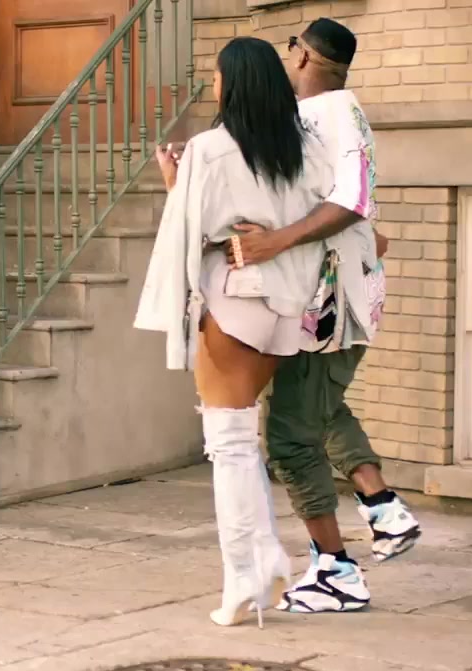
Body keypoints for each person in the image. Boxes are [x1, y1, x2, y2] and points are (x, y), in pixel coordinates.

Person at [134, 37, 377, 628]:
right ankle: (259, 561)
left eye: (218, 77)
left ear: (233, 84)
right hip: (285, 304)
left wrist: (174, 180)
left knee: (230, 444)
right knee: (241, 441)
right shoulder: (307, 147)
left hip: (234, 301)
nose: (214, 86)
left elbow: (189, 230)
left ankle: (249, 571)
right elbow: (336, 212)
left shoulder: (211, 149)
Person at [226, 19, 422, 614]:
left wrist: (275, 241)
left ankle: (336, 572)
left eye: (291, 48)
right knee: (321, 408)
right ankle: (383, 509)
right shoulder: (313, 115)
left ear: (303, 55)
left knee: (290, 438)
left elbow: (352, 200)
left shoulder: (335, 113)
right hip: (322, 295)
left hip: (330, 306)